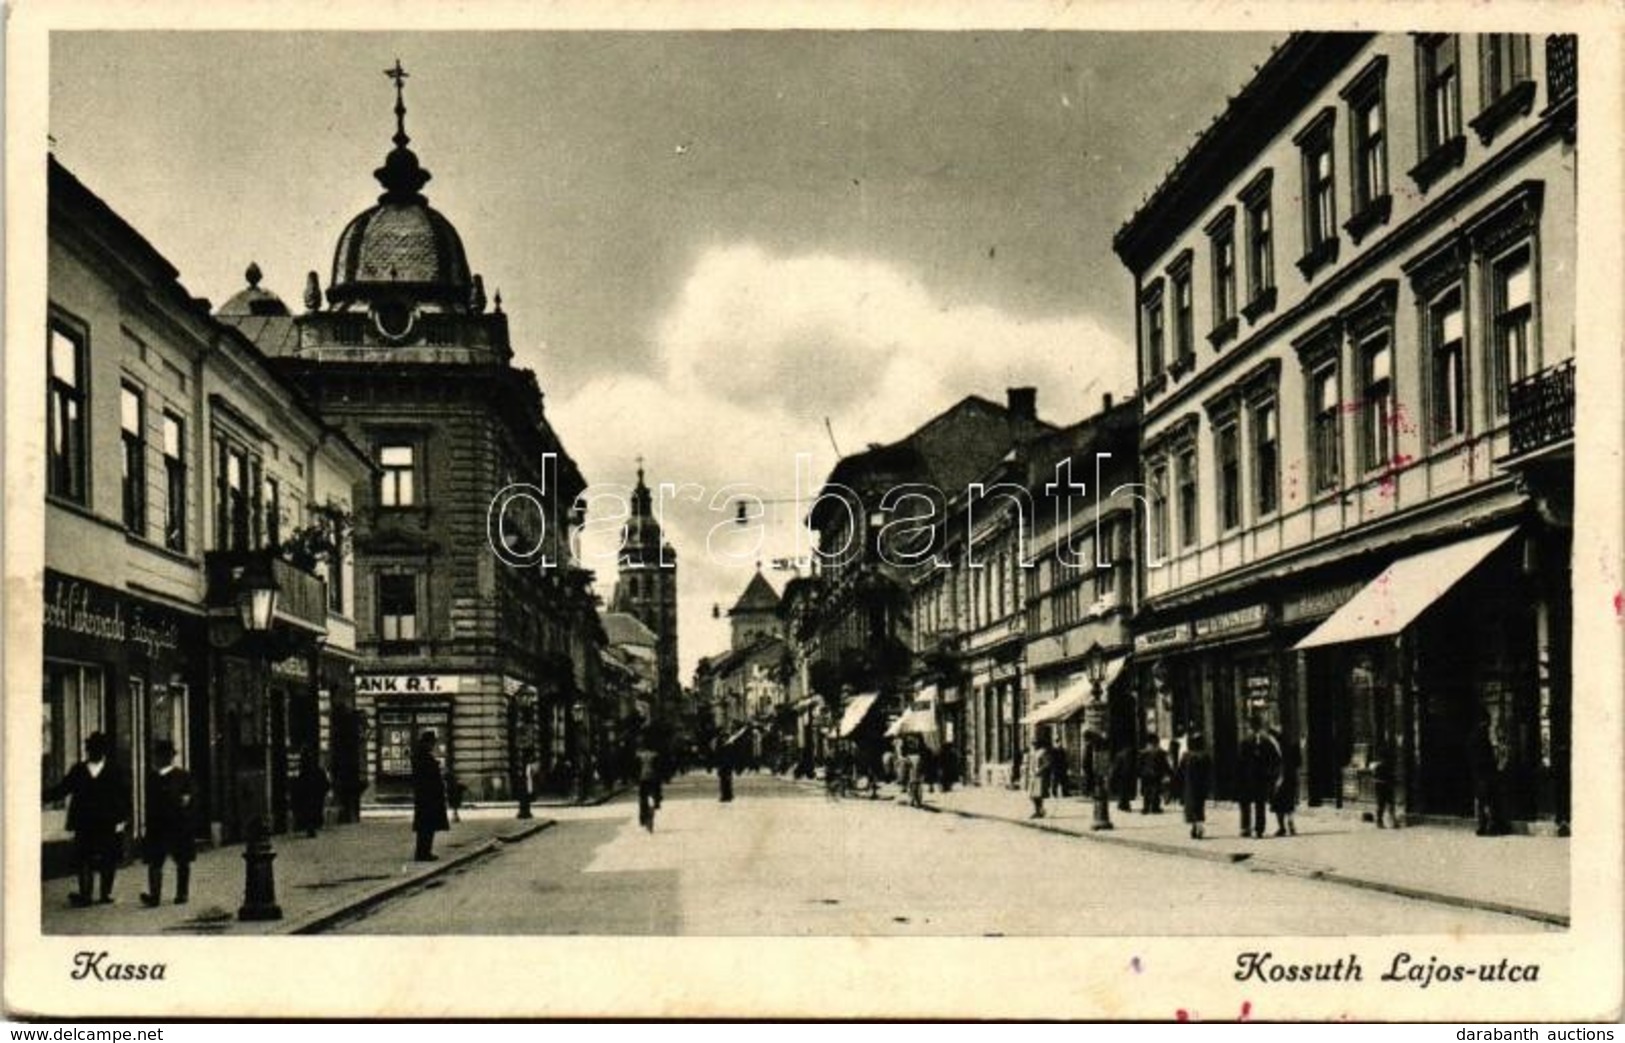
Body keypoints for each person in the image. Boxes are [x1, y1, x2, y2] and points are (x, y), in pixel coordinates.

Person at [42, 732, 130, 907]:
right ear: (88, 750)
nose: (94, 752)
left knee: (108, 858)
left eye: (98, 749)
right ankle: (85, 895)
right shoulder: (79, 770)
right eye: (91, 749)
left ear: (103, 751)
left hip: (107, 821)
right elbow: (64, 788)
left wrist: (123, 819)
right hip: (84, 822)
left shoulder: (114, 771)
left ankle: (105, 893)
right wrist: (43, 797)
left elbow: (123, 796)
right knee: (84, 857)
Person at [139, 739, 195, 907]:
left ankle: (181, 893)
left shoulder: (182, 776)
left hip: (177, 824)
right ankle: (155, 895)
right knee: (156, 860)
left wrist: (184, 805)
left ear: (169, 757)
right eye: (159, 756)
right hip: (159, 825)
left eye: (163, 756)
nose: (160, 759)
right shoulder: (152, 777)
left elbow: (188, 799)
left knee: (181, 859)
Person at [1236, 715, 1281, 839]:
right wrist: (1270, 773)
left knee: (1245, 804)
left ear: (1249, 727)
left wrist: (1239, 778)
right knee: (1260, 803)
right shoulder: (1267, 742)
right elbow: (1276, 759)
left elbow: (1239, 762)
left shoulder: (1244, 741)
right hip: (1261, 778)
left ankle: (1245, 828)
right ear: (1259, 726)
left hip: (1246, 778)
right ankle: (1259, 830)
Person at [411, 731, 450, 861]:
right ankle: (423, 853)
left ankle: (424, 852)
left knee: (426, 826)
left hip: (425, 797)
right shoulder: (423, 756)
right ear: (428, 742)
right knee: (427, 826)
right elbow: (427, 776)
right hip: (428, 797)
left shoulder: (421, 754)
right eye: (432, 742)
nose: (433, 745)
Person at [1468, 710, 1504, 836]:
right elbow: (1488, 757)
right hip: (1486, 773)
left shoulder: (1472, 736)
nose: (1489, 724)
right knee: (1489, 799)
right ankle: (1490, 826)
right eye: (1488, 721)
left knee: (1481, 800)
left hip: (1477, 774)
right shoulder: (1483, 736)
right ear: (1485, 721)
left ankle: (1482, 826)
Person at [1180, 732, 1213, 840]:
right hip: (1201, 785)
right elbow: (1210, 772)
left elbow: (1180, 771)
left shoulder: (1186, 756)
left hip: (1190, 786)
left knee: (1191, 807)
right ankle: (1198, 826)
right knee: (1200, 806)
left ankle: (1195, 826)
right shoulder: (1205, 756)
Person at [293, 746, 330, 837]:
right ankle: (312, 826)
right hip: (315, 798)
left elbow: (298, 788)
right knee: (313, 812)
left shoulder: (303, 774)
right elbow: (326, 785)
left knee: (309, 812)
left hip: (309, 798)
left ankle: (309, 826)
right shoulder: (318, 772)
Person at [1270, 728, 1300, 837]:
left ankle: (1286, 826)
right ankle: (1285, 825)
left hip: (1284, 777)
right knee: (1284, 803)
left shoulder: (1282, 746)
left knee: (1283, 802)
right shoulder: (1291, 744)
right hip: (1283, 776)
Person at [1370, 733, 1399, 828]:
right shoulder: (1383, 765)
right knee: (1387, 804)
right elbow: (1389, 776)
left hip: (1381, 785)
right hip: (1384, 785)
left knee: (1382, 804)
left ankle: (1382, 822)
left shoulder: (1377, 765)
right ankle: (1389, 822)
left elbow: (1374, 776)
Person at [1139, 733, 1170, 814]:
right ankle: (1155, 807)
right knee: (1156, 791)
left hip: (1145, 774)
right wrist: (1168, 772)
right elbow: (1165, 764)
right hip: (1156, 773)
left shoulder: (1143, 752)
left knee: (1146, 791)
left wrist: (1139, 773)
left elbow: (1139, 764)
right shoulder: (1161, 752)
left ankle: (1146, 807)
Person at [635, 736, 661, 832]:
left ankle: (642, 819)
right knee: (656, 793)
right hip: (654, 779)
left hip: (642, 779)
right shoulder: (655, 755)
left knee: (642, 799)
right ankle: (657, 802)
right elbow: (659, 768)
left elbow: (635, 769)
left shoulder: (638, 755)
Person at [1025, 736, 1053, 819]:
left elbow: (1047, 763)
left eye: (1035, 743)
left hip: (1040, 776)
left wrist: (1040, 770)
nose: (1033, 745)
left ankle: (1038, 811)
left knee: (1037, 795)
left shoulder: (1043, 752)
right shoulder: (1033, 752)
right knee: (1032, 795)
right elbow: (1030, 763)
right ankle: (1039, 810)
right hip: (1033, 776)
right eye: (1032, 743)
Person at [1111, 742, 1137, 813]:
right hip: (1129, 775)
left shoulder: (1119, 755)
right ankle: (1125, 805)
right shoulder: (1132, 755)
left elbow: (1116, 767)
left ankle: (1122, 805)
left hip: (1121, 775)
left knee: (1122, 791)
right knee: (1126, 791)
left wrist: (1113, 775)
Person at [716, 739, 735, 803]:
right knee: (727, 781)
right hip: (726, 766)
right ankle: (728, 795)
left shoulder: (724, 749)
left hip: (725, 766)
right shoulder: (728, 748)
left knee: (725, 782)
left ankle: (726, 796)